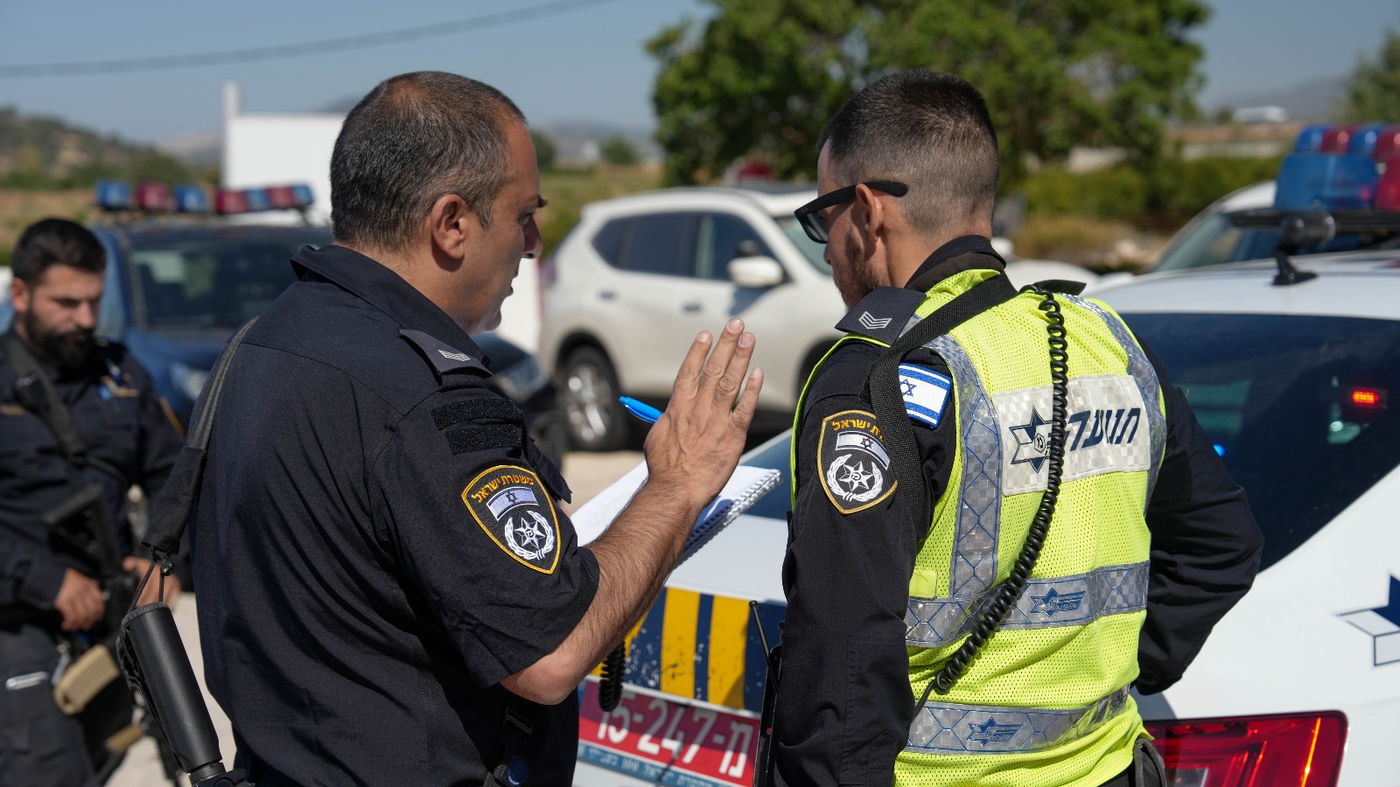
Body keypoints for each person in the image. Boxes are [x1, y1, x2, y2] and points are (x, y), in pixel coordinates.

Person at [190, 71, 763, 787]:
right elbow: (549, 653)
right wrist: (677, 485)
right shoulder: (423, 396)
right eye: (523, 213)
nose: (533, 241)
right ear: (451, 223)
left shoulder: (261, 343)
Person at [770, 70, 1263, 786]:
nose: (824, 247)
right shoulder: (1107, 343)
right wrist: (1110, 666)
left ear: (869, 210)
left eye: (825, 217)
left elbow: (840, 669)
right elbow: (1222, 540)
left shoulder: (874, 376)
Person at [0, 218, 183, 786]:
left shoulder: (121, 374)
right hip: (17, 622)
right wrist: (45, 581)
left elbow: (171, 478)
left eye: (94, 303)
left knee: (100, 756)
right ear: (21, 293)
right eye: (66, 302)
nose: (84, 319)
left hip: (109, 622)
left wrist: (163, 560)